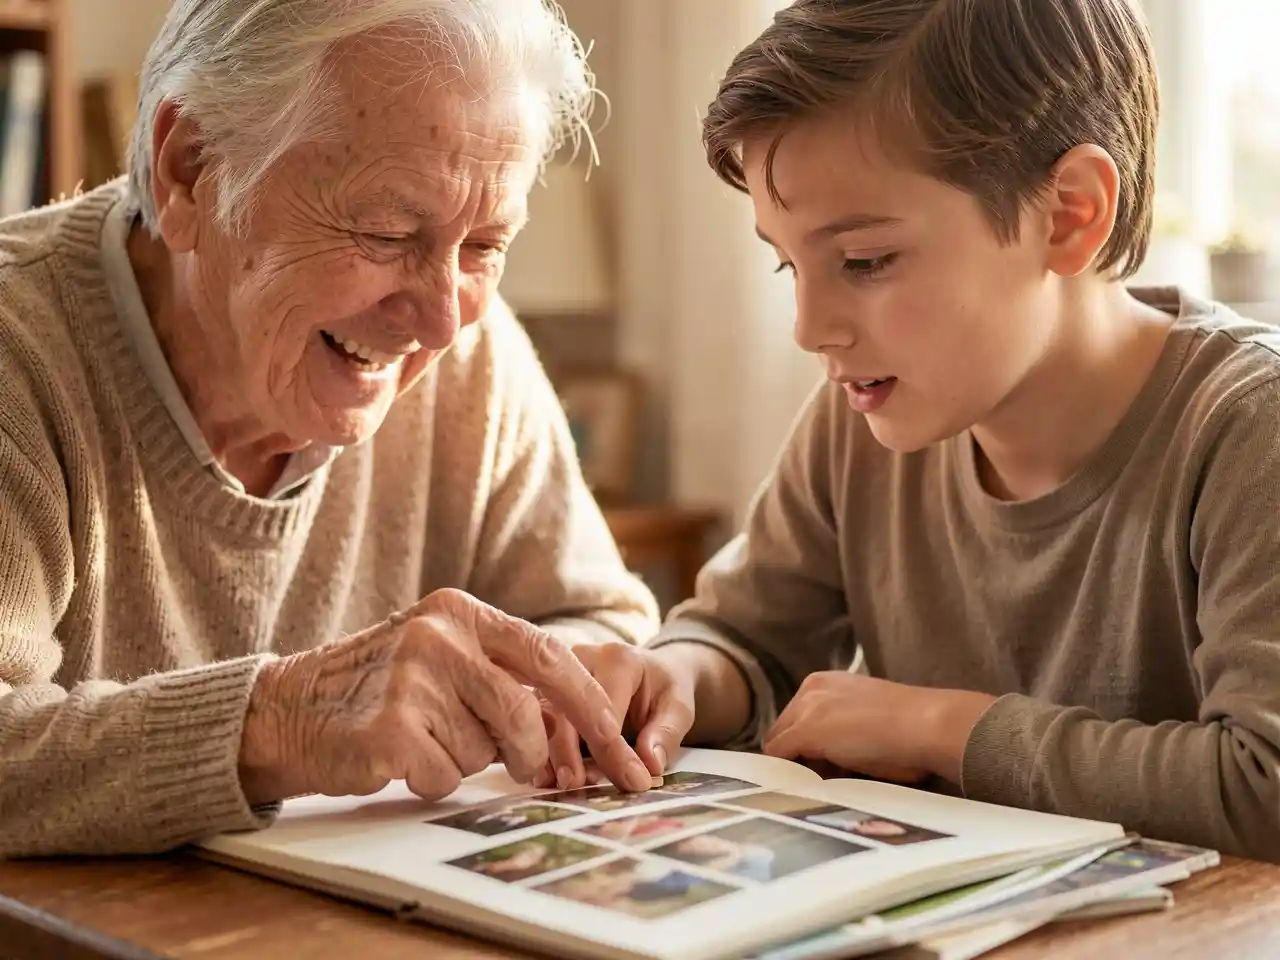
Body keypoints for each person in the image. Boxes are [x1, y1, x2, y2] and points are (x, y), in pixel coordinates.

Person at [556, 0, 1280, 862]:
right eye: (790, 263)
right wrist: (673, 674)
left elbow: (1263, 786)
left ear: (1069, 215)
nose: (810, 326)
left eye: (864, 261)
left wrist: (946, 728)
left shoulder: (1247, 429)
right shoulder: (861, 414)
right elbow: (746, 636)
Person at [0, 0, 663, 860]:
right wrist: (282, 721)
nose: (438, 321)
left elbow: (596, 617)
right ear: (191, 168)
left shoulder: (469, 353)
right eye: (386, 232)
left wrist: (568, 679)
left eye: (485, 246)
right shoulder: (22, 353)